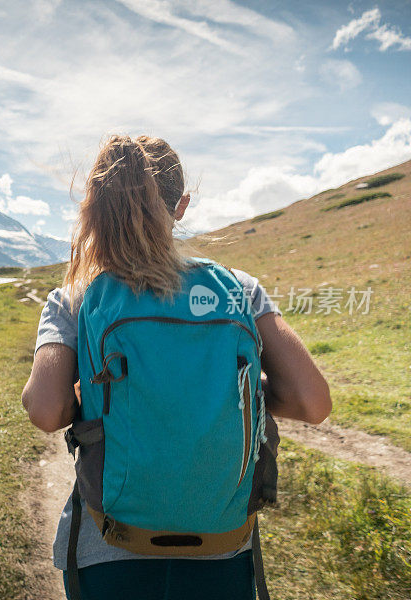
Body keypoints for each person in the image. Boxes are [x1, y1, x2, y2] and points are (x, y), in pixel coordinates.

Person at [21, 135, 331, 600]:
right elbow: (313, 402)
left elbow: (46, 410)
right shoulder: (237, 289)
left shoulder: (76, 298)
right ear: (181, 206)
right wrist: (219, 390)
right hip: (222, 550)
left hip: (107, 550)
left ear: (94, 208)